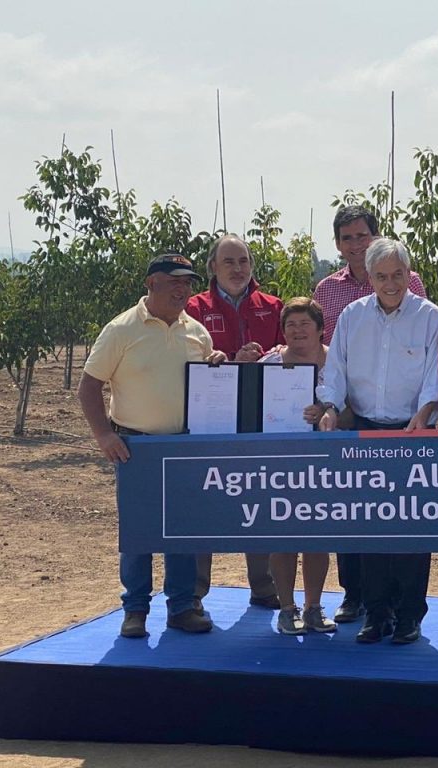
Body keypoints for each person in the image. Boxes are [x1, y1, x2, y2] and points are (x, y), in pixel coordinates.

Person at [78, 253, 226, 638]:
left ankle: (181, 607)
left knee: (181, 532)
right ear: (151, 284)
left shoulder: (197, 332)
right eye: (174, 281)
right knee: (139, 532)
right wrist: (104, 436)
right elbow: (89, 386)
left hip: (182, 445)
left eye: (188, 282)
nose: (183, 289)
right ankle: (136, 610)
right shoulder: (121, 329)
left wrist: (217, 366)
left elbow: (203, 383)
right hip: (136, 446)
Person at [318, 238, 438, 645]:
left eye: (398, 275)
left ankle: (409, 615)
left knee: (410, 528)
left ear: (409, 274)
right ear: (369, 277)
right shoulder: (352, 317)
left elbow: (435, 376)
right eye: (382, 276)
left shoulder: (431, 317)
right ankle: (377, 612)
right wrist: (330, 407)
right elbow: (335, 367)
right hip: (365, 431)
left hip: (412, 432)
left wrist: (424, 415)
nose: (390, 284)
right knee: (368, 527)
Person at [185, 235, 282, 612]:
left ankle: (263, 585)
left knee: (258, 499)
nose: (238, 269)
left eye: (243, 261)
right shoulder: (192, 309)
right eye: (228, 262)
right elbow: (187, 361)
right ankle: (193, 592)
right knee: (202, 503)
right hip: (209, 423)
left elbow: (289, 355)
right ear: (212, 267)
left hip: (261, 422)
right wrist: (226, 363)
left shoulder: (273, 308)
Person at [257, 297, 336, 635]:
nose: (297, 330)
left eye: (305, 323)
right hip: (280, 462)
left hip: (328, 465)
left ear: (320, 328)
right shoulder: (269, 364)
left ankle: (313, 607)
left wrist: (326, 413)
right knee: (282, 536)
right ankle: (287, 608)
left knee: (318, 538)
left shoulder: (339, 362)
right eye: (290, 324)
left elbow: (352, 409)